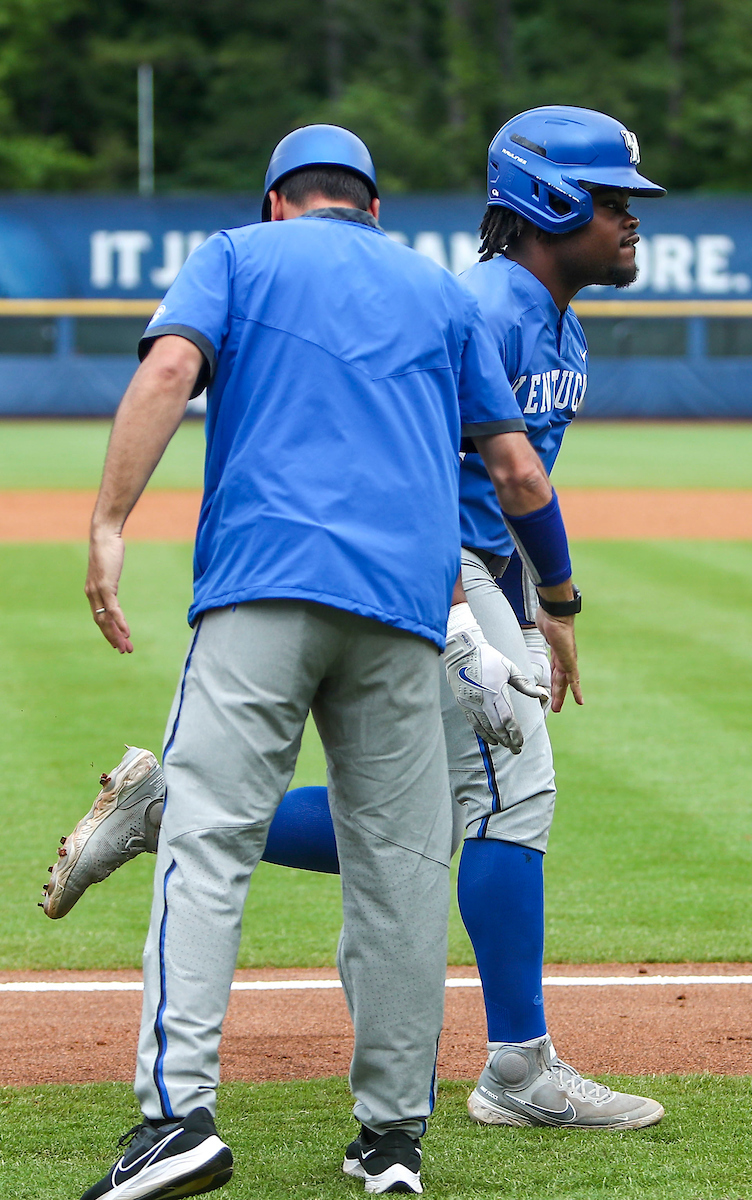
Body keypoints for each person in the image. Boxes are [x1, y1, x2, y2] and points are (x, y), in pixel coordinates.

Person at [68, 123, 585, 1200]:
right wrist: (555, 603)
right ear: (372, 210)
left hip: (259, 587)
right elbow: (515, 472)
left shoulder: (233, 254)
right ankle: (391, 1143)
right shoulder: (438, 290)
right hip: (405, 613)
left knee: (207, 844)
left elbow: (171, 364)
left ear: (274, 203)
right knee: (400, 871)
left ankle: (179, 1123)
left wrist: (112, 519)